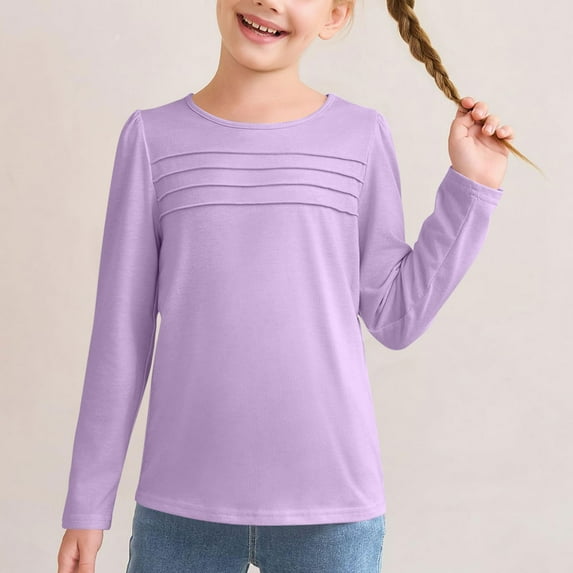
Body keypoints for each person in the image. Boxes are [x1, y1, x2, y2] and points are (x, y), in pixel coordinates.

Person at [57, 0, 520, 571]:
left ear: (335, 16)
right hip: (180, 508)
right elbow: (119, 340)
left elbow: (395, 317)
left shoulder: (361, 135)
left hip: (333, 508)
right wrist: (87, 505)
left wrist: (473, 187)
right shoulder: (151, 137)